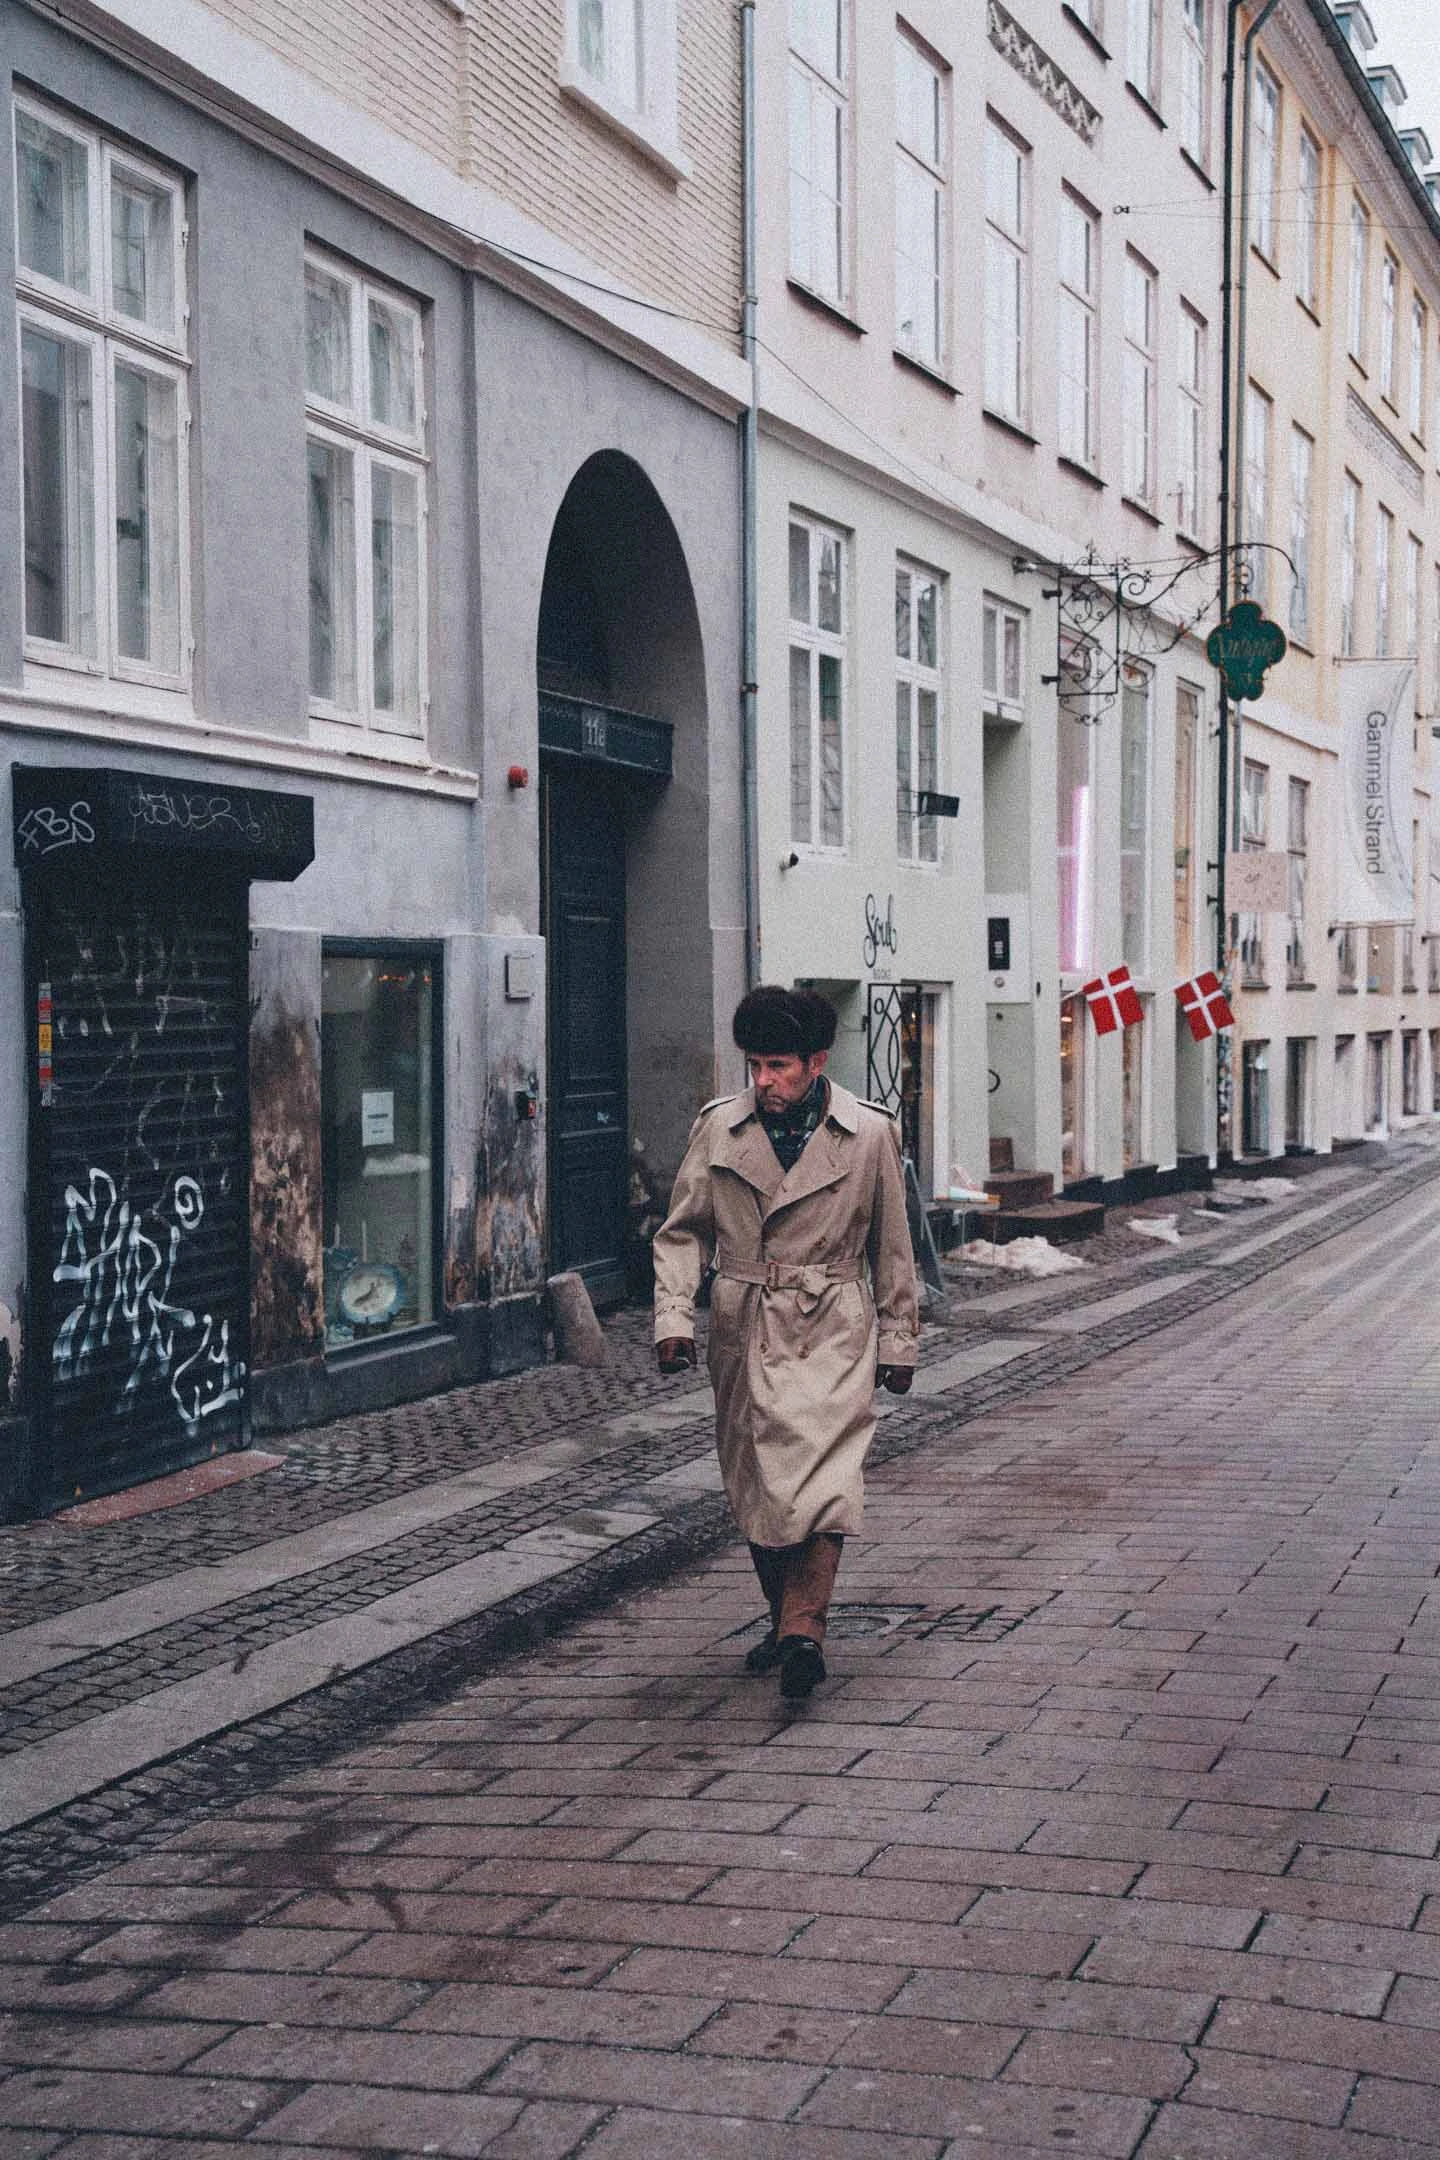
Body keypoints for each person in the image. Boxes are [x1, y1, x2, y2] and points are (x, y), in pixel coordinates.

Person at [652, 985, 919, 1699]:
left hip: (833, 1321)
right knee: (759, 1483)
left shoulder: (868, 1133)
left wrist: (899, 1340)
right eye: (755, 1066)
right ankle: (784, 1622)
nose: (764, 1081)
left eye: (778, 1066)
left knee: (825, 1480)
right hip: (745, 1322)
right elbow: (682, 1233)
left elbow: (894, 1247)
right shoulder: (720, 1128)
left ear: (815, 1063)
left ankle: (805, 1629)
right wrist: (674, 1319)